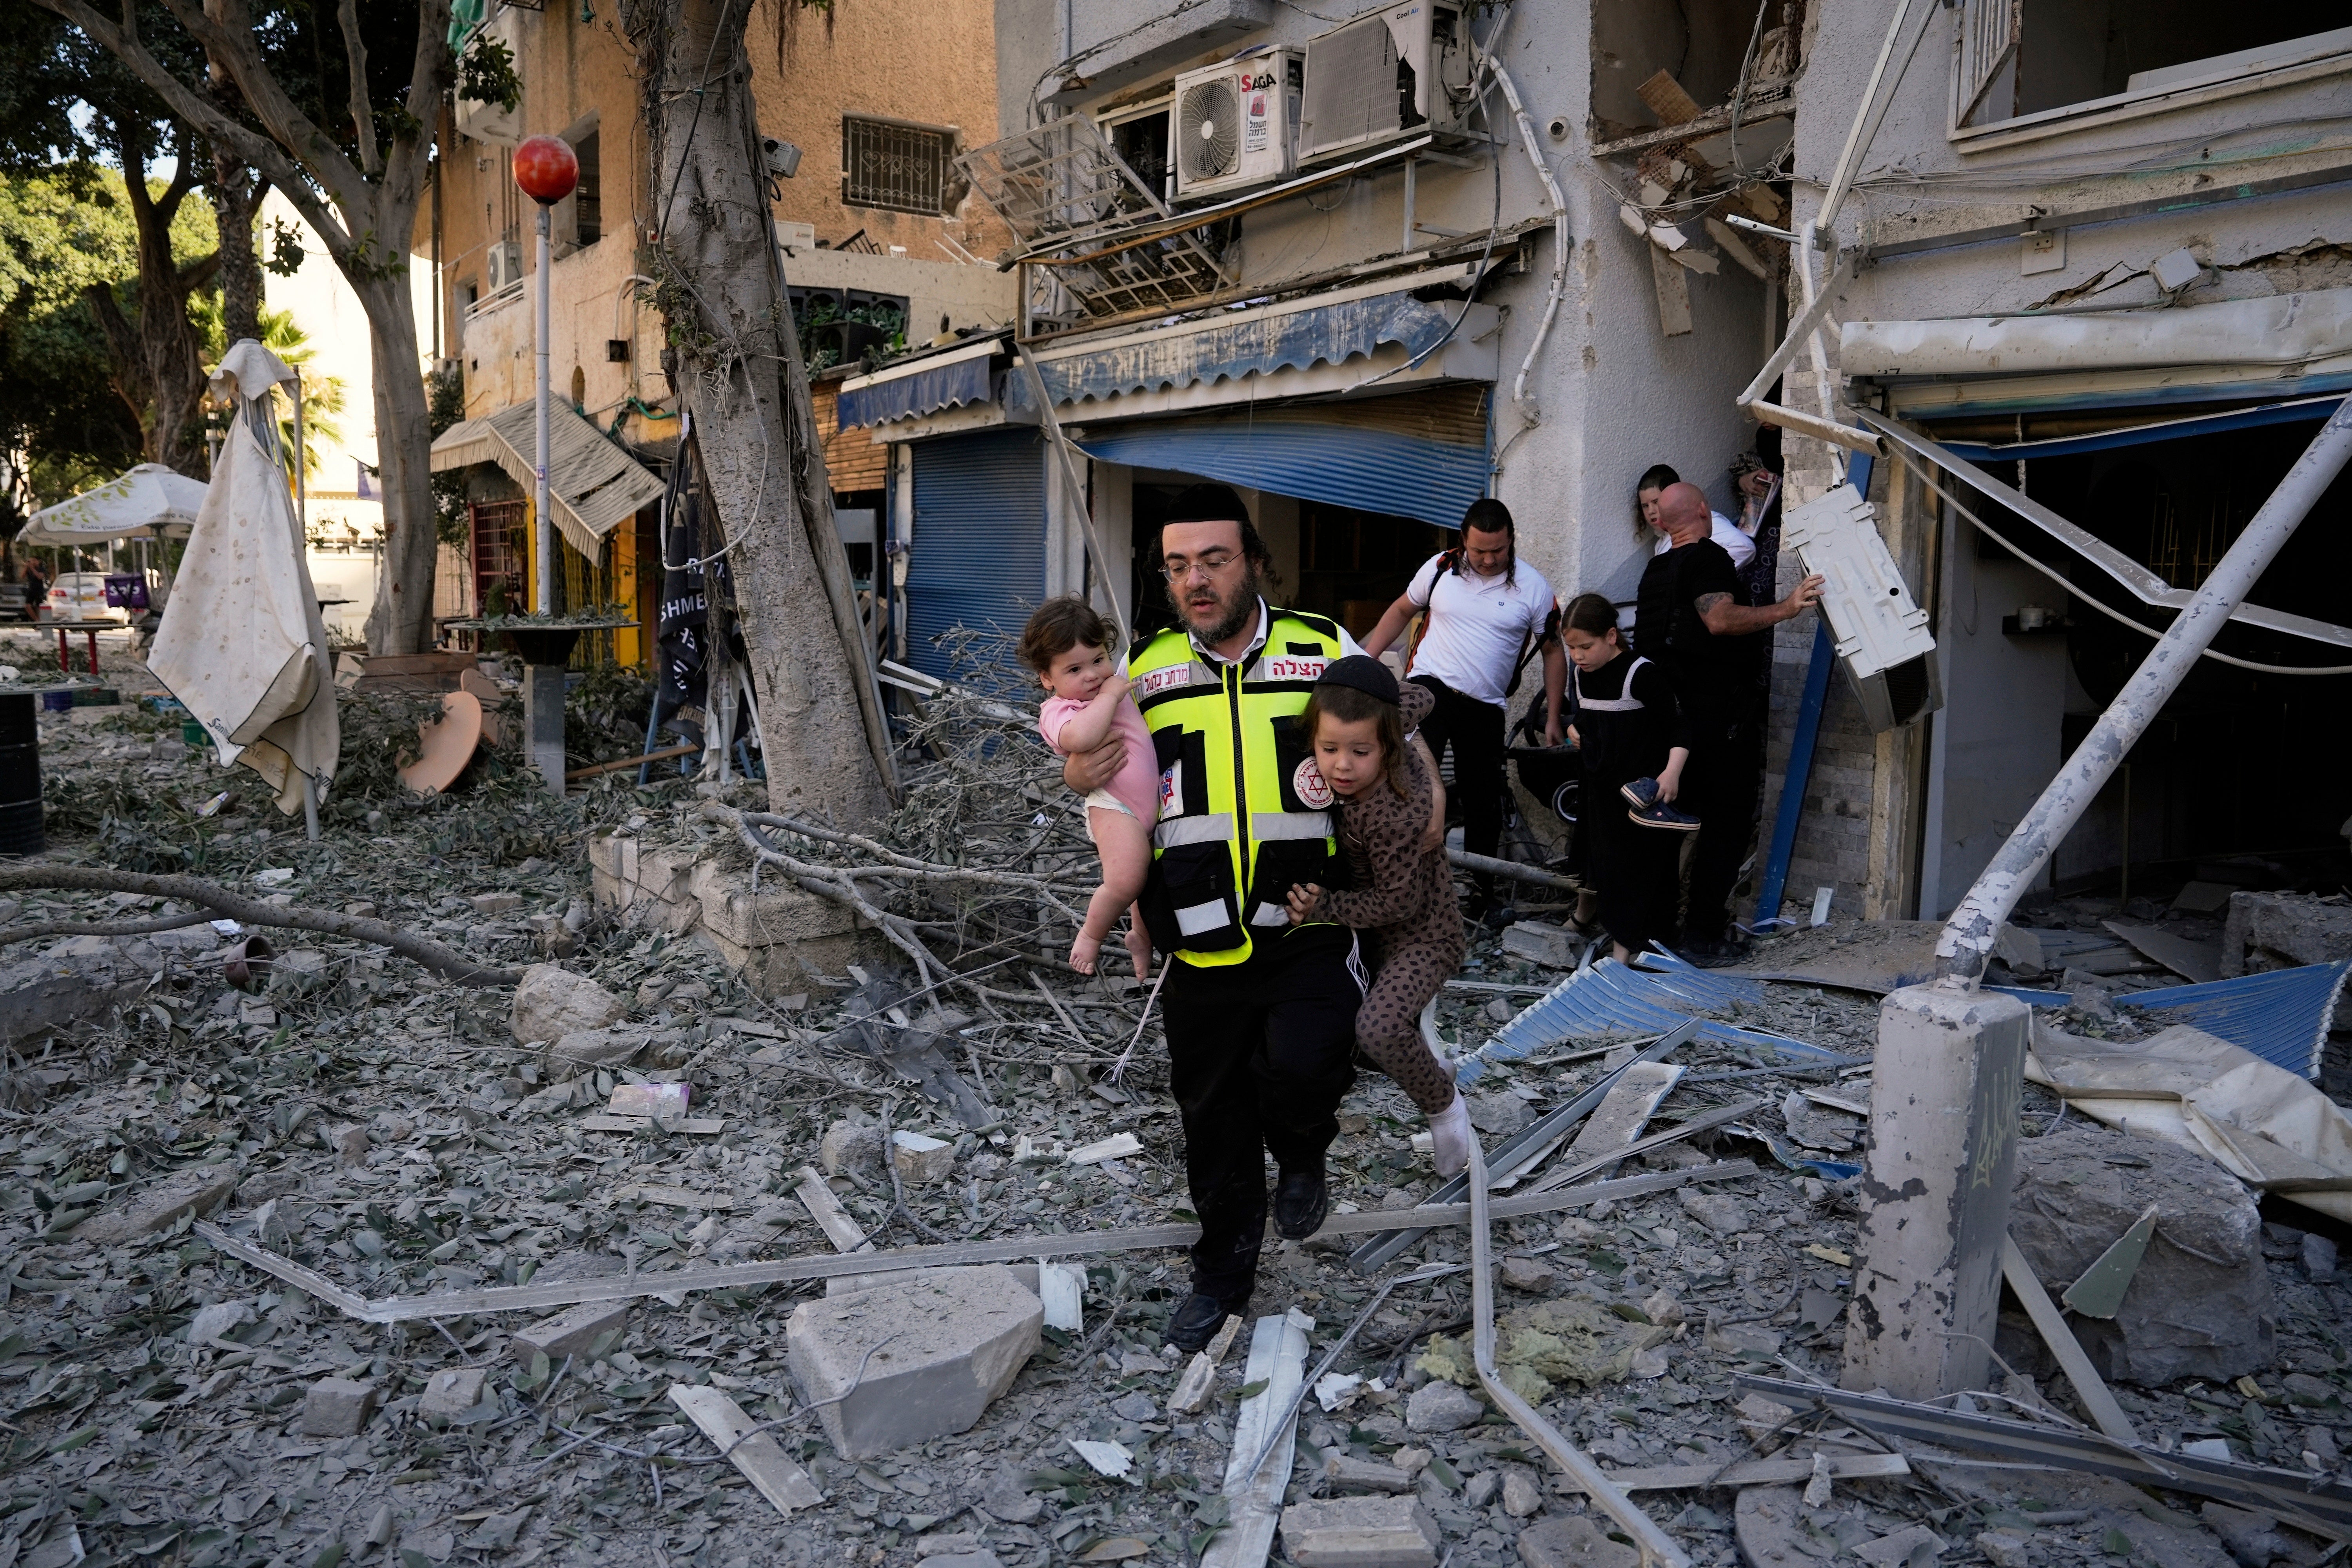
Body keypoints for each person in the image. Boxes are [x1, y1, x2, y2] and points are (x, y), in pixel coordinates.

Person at [1058, 483, 1443, 1352]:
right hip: (1197, 937)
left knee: (1305, 1070)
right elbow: (1102, 778)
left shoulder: (1319, 647)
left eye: (1215, 559)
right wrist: (1080, 788)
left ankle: (1305, 1148)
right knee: (1212, 1114)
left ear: (1255, 562)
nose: (1197, 579)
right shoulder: (1144, 670)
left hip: (1311, 926)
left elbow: (1396, 721)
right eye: (1179, 565)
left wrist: (1430, 780)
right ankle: (1223, 1274)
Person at [1281, 657, 1475, 1177]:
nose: (1342, 765)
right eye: (1329, 749)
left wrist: (1326, 906)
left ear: (1386, 745)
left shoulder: (1388, 811)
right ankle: (1431, 1067)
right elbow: (1423, 696)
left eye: (1360, 752)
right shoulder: (1386, 713)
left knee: (1379, 1029)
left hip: (1423, 938)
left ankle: (1446, 1107)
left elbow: (1399, 904)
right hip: (1375, 939)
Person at [1635, 482, 1822, 965]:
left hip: (1667, 723)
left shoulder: (1655, 571)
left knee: (1668, 829)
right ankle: (1703, 936)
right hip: (1715, 722)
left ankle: (1654, 934)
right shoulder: (1709, 557)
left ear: (1663, 520)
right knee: (1725, 827)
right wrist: (1787, 607)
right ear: (1703, 511)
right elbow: (1718, 619)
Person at [1362, 498, 1564, 915]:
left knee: (1483, 798)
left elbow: (1553, 651)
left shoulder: (1534, 588)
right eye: (1480, 551)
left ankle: (1480, 891)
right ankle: (1401, 885)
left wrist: (1555, 717)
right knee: (1408, 789)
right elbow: (1402, 609)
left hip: (1484, 705)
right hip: (1426, 691)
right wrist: (1366, 665)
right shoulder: (1439, 569)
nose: (1489, 559)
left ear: (1511, 541)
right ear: (1463, 542)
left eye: (1499, 550)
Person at [1019, 595, 1156, 980]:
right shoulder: (1060, 710)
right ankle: (1091, 935)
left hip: (1151, 808)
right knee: (1126, 878)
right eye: (1075, 669)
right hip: (1115, 806)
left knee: (1146, 884)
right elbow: (1080, 737)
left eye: (1098, 660)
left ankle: (1141, 940)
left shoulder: (1106, 688)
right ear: (1049, 678)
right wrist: (1112, 695)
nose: (1093, 675)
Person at [1560, 594, 1690, 965]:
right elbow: (1581, 716)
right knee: (1600, 860)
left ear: (1612, 636)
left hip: (1639, 793)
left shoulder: (1641, 673)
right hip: (1597, 787)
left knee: (1636, 869)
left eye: (1586, 646)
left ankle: (1627, 949)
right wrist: (1573, 729)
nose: (1578, 656)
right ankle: (1601, 924)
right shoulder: (1579, 674)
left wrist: (1672, 773)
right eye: (1571, 648)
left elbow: (1679, 728)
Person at [1636, 463, 1753, 570]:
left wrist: (1704, 581)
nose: (1651, 511)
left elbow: (1745, 548)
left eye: (1656, 502)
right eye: (1645, 506)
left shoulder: (1704, 521)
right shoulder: (1660, 545)